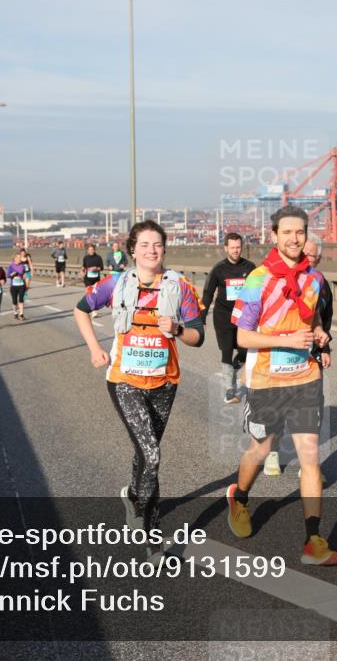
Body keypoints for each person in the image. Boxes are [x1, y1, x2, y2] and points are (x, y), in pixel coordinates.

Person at [73, 220, 204, 559]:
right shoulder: (116, 283)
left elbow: (198, 337)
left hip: (164, 383)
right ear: (132, 249)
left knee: (145, 452)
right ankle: (152, 538)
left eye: (157, 244)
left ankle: (134, 497)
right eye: (144, 244)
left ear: (164, 249)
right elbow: (81, 310)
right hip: (124, 380)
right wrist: (93, 349)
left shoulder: (180, 286)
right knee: (153, 455)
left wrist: (176, 328)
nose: (151, 250)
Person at [226, 206, 337, 566]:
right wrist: (287, 342)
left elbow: (315, 318)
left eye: (300, 232)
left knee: (310, 455)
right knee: (260, 451)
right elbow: (242, 337)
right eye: (287, 232)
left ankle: (313, 541)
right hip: (265, 381)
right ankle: (239, 498)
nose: (294, 239)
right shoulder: (258, 279)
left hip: (305, 378)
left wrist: (321, 336)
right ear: (274, 235)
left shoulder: (314, 280)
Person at [264, 232, 333, 477]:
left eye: (314, 256)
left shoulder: (320, 283)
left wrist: (324, 347)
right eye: (306, 254)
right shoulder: (278, 280)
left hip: (310, 358)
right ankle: (272, 452)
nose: (309, 259)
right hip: (280, 356)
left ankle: (308, 466)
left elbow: (325, 320)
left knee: (313, 409)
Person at [201, 233, 255, 404]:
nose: (235, 251)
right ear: (225, 248)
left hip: (244, 317)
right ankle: (229, 389)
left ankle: (236, 364)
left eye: (238, 247)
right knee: (226, 350)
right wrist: (201, 318)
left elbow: (258, 291)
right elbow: (208, 293)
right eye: (232, 247)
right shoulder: (219, 269)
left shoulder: (250, 267)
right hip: (223, 316)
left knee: (245, 351)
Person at [81, 243, 104, 315]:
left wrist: (95, 268)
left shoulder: (98, 257)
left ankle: (94, 310)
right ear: (87, 251)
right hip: (88, 278)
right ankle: (89, 308)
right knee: (89, 293)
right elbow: (84, 267)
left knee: (95, 294)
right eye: (89, 250)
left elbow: (101, 268)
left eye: (92, 249)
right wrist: (81, 271)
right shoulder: (86, 258)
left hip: (96, 278)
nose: (91, 251)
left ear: (94, 250)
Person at [8, 251, 28, 321]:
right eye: (18, 258)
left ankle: (21, 314)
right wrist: (12, 274)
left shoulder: (22, 265)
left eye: (20, 258)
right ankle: (15, 313)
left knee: (21, 300)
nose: (20, 259)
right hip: (13, 286)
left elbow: (21, 271)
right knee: (14, 301)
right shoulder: (10, 266)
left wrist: (14, 272)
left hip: (21, 285)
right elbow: (8, 275)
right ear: (15, 258)